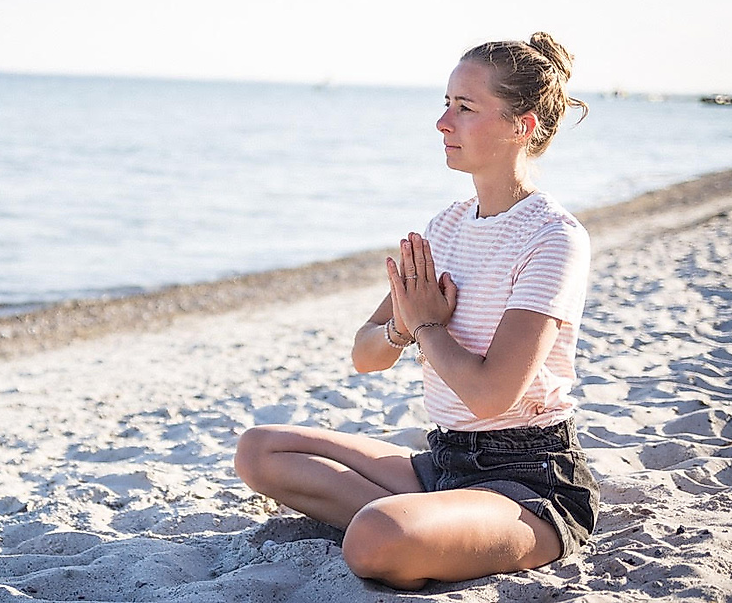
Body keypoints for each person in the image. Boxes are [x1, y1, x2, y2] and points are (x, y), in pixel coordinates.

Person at [234, 32, 600, 591]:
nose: (443, 123)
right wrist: (404, 325)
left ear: (520, 125)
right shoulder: (447, 226)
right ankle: (432, 516)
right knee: (258, 450)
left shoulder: (554, 238)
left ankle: (420, 522)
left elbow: (491, 396)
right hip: (446, 460)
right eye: (446, 103)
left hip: (529, 482)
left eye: (465, 108)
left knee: (375, 539)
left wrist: (428, 325)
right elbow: (365, 355)